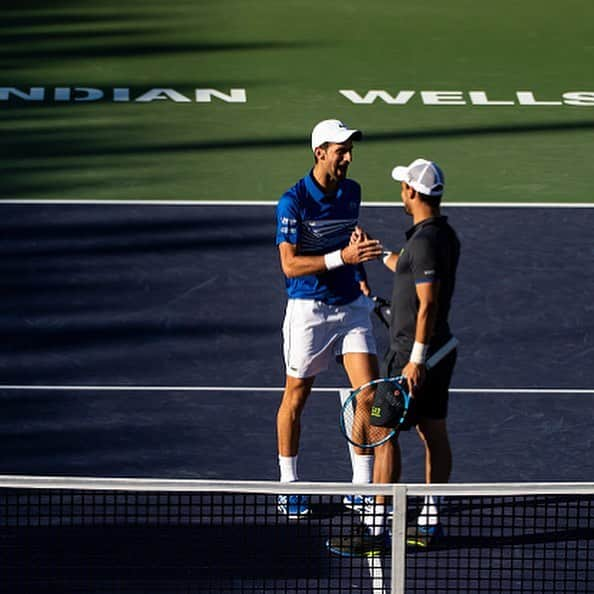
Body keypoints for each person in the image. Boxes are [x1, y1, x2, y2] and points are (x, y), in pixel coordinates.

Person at [328, 158, 460, 555]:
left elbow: (427, 304)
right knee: (432, 433)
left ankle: (376, 529)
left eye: (404, 186)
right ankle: (429, 520)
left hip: (409, 360)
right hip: (440, 352)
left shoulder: (423, 244)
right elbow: (409, 269)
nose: (401, 191)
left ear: (413, 194)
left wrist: (415, 358)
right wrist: (378, 253)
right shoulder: (440, 236)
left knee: (383, 435)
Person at [275, 119, 384, 517]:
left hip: (350, 306)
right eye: (341, 150)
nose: (348, 157)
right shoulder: (293, 202)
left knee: (369, 395)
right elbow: (289, 265)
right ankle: (288, 481)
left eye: (350, 149)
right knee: (296, 398)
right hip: (309, 310)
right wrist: (342, 258)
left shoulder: (352, 192)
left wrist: (362, 278)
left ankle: (361, 486)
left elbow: (349, 240)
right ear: (320, 152)